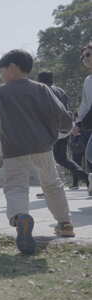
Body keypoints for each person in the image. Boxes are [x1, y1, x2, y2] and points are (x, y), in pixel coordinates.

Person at [0, 49, 75, 255]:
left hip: (14, 149)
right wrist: (66, 127)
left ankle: (21, 217)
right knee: (52, 184)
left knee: (16, 187)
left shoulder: (1, 92)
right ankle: (64, 223)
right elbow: (61, 114)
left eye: (2, 71)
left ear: (11, 68)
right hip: (42, 147)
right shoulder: (42, 89)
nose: (2, 76)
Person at [34, 72, 89, 199]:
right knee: (61, 159)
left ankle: (50, 188)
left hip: (51, 131)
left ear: (40, 80)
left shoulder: (43, 91)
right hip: (65, 129)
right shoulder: (61, 91)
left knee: (48, 159)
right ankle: (86, 178)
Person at [73, 42, 92, 196]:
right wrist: (77, 122)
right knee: (89, 153)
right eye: (83, 56)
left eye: (88, 54)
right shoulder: (88, 80)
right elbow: (85, 104)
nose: (84, 59)